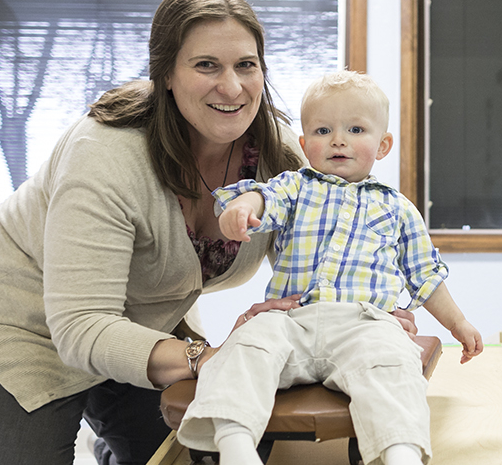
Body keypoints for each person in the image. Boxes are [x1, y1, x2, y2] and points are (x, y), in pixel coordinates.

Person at [0, 0, 312, 463]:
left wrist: (362, 319)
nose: (232, 87)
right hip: (19, 317)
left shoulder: (279, 158)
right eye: (207, 65)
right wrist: (202, 358)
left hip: (134, 321)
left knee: (192, 452)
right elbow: (81, 325)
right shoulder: (105, 155)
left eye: (246, 65)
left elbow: (316, 266)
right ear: (166, 75)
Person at [175, 71, 484, 465]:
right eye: (323, 130)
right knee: (245, 347)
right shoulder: (295, 187)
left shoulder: (398, 208)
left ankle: (399, 451)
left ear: (383, 144)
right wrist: (241, 208)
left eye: (355, 129)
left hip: (366, 322)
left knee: (392, 363)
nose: (338, 139)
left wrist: (457, 324)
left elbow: (425, 275)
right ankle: (235, 443)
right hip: (291, 319)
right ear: (304, 144)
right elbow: (262, 198)